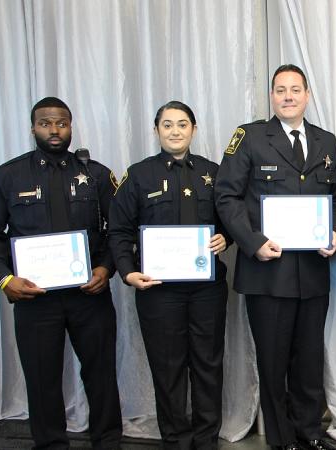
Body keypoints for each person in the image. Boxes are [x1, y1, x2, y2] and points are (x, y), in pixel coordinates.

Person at [0, 97, 123, 449]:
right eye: (45, 123)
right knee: (42, 380)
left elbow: (118, 229)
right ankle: (51, 444)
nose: (54, 130)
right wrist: (5, 279)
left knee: (101, 374)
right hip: (34, 299)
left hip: (90, 295)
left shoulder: (97, 175)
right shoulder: (6, 177)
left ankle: (108, 441)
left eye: (61, 123)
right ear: (33, 128)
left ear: (71, 127)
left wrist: (106, 267)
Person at [214, 64, 336, 450]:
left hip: (312, 272)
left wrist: (334, 231)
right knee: (273, 362)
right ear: (272, 96)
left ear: (307, 95)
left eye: (295, 89)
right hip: (267, 272)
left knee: (309, 360)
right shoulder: (250, 137)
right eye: (281, 90)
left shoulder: (326, 141)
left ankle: (310, 432)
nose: (288, 96)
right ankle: (282, 438)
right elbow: (226, 195)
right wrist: (252, 241)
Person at [109, 101, 229, 449]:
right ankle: (175, 440)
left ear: (194, 129)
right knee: (168, 368)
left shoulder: (214, 173)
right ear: (156, 130)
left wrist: (227, 237)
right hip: (158, 291)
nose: (175, 131)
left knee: (208, 365)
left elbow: (233, 218)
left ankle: (206, 439)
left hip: (207, 289)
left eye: (182, 124)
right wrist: (128, 272)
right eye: (167, 125)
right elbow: (118, 230)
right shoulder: (138, 175)